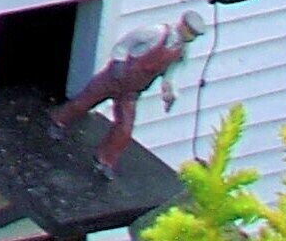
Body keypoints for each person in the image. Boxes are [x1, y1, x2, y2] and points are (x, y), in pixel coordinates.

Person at [51, 10, 206, 174]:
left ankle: (105, 160)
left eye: (194, 36)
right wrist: (118, 64)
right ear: (182, 25)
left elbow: (170, 74)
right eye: (190, 32)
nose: (191, 37)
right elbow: (124, 44)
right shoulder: (156, 33)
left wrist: (169, 93)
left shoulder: (181, 51)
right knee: (83, 102)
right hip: (114, 79)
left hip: (132, 91)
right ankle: (58, 121)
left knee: (125, 128)